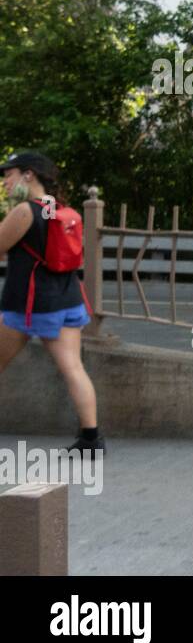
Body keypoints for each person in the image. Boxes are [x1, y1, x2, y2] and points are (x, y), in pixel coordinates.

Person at [0, 151, 103, 455]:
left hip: (29, 305)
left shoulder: (24, 211)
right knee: (73, 367)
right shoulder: (59, 209)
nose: (5, 181)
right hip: (68, 301)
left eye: (9, 174)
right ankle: (91, 439)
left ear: (28, 174)